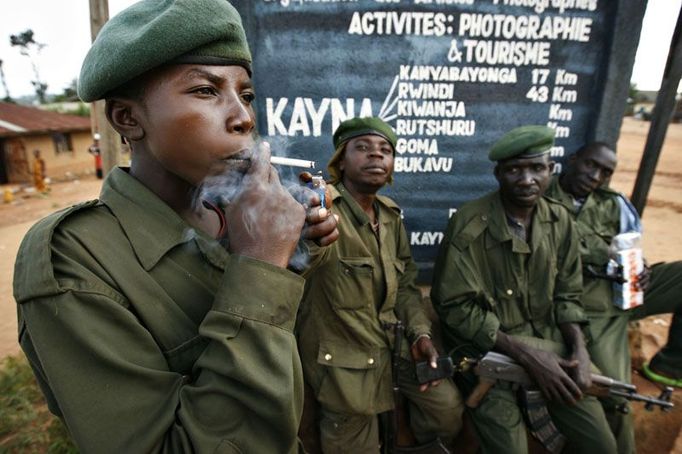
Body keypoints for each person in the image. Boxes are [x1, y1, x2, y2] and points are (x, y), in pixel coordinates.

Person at [13, 0, 338, 452]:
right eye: (206, 90)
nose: (243, 117)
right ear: (128, 118)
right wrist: (261, 262)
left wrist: (296, 251)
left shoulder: (233, 214)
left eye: (245, 95)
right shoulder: (76, 259)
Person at [431, 126, 617, 453]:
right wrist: (527, 355)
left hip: (551, 348)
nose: (527, 179)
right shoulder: (470, 222)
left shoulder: (561, 222)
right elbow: (456, 309)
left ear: (551, 171)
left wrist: (579, 350)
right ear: (498, 174)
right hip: (487, 352)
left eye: (537, 168)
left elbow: (568, 296)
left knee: (601, 442)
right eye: (515, 169)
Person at [296, 117, 463, 453]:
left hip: (393, 344)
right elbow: (301, 260)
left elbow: (405, 286)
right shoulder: (321, 209)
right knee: (355, 440)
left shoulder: (390, 217)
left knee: (446, 410)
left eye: (385, 150)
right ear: (341, 161)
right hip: (343, 357)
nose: (376, 156)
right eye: (363, 148)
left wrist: (422, 335)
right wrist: (307, 219)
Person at [545, 141, 682, 453]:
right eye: (590, 165)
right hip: (588, 307)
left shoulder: (610, 203)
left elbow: (627, 244)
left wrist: (640, 266)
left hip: (624, 289)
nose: (595, 176)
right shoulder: (539, 195)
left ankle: (670, 368)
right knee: (616, 393)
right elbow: (550, 249)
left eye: (605, 172)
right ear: (573, 159)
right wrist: (603, 252)